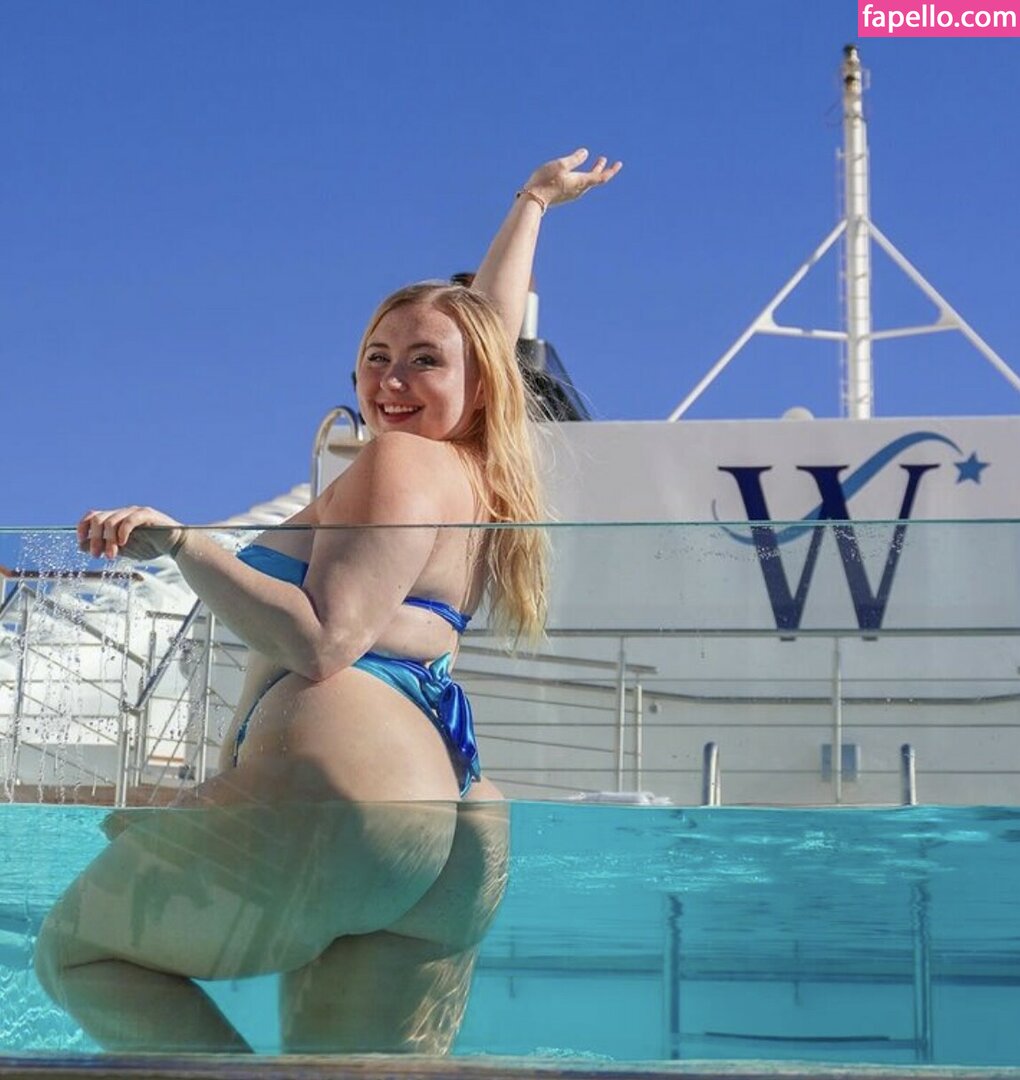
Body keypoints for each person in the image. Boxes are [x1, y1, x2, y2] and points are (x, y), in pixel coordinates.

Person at [34, 148, 621, 1054]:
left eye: (420, 362)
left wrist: (184, 544)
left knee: (79, 956)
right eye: (374, 358)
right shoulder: (474, 469)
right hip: (451, 824)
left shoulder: (402, 460)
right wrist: (532, 204)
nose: (390, 381)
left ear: (476, 385)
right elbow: (487, 336)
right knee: (336, 1074)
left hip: (341, 804)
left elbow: (322, 641)